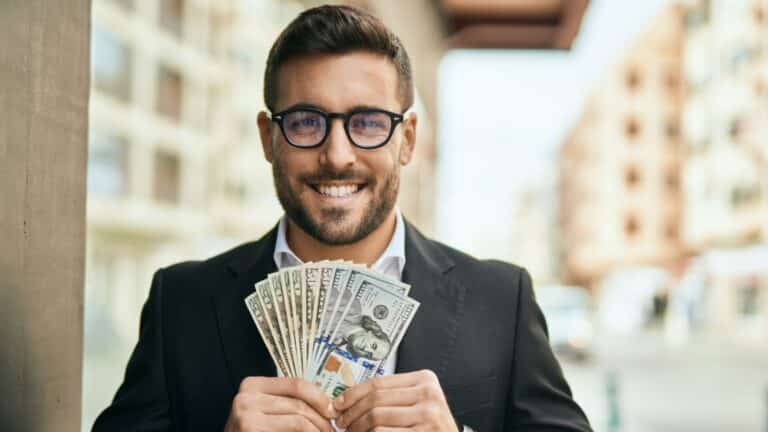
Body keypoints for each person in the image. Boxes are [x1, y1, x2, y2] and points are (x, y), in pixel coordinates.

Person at [93, 5, 592, 432]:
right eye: (307, 121)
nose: (337, 155)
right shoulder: (182, 304)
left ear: (408, 138)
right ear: (268, 138)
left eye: (368, 123)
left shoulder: (501, 302)